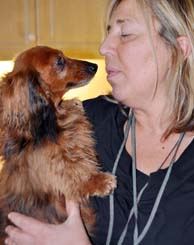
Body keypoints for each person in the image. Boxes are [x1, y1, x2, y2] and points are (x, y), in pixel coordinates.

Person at [4, 0, 194, 244]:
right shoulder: (77, 120)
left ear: (178, 50)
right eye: (108, 33)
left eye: (125, 34)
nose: (104, 47)